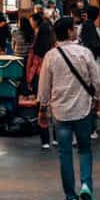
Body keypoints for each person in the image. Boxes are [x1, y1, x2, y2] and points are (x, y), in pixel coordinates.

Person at [37, 17, 100, 200]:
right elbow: (96, 80)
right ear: (68, 32)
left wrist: (42, 109)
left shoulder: (51, 56)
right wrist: (98, 99)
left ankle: (71, 198)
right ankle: (86, 185)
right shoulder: (85, 53)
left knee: (65, 153)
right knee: (84, 149)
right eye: (73, 28)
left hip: (60, 112)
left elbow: (44, 86)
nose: (76, 31)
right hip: (83, 109)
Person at [29, 13, 57, 149]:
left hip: (38, 78)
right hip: (53, 78)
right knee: (55, 106)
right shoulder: (54, 48)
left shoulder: (36, 45)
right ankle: (57, 138)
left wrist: (28, 79)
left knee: (41, 107)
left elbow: (30, 63)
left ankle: (45, 140)